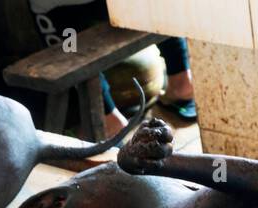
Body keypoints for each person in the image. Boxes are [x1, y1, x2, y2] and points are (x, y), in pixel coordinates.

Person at [28, 0, 195, 136]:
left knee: (67, 46)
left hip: (65, 11)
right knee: (159, 6)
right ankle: (182, 80)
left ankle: (107, 118)